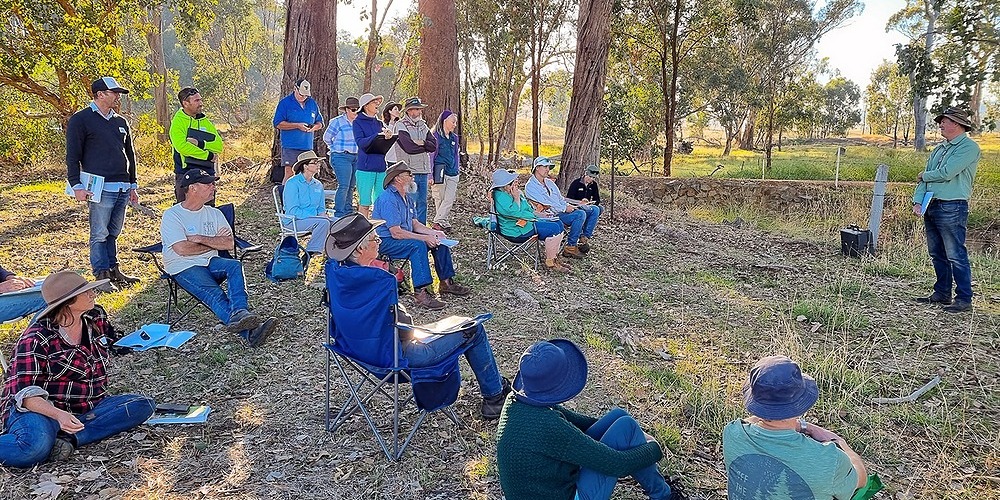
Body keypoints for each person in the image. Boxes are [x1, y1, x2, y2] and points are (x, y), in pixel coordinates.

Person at [326, 213, 511, 419]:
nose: (379, 242)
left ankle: (496, 388)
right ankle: (495, 396)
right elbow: (405, 330)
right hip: (394, 358)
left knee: (453, 324)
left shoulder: (339, 275)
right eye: (375, 238)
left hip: (356, 352)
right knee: (473, 328)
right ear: (360, 248)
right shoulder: (377, 281)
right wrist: (420, 329)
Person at [0, 271, 156, 467]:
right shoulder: (36, 339)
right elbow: (24, 394)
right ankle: (52, 436)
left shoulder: (94, 319)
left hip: (84, 407)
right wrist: (58, 415)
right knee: (33, 448)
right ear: (68, 302)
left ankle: (68, 439)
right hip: (39, 409)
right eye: (86, 292)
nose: (93, 293)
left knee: (141, 404)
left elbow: (113, 341)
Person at [496, 339, 684, 500]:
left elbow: (576, 422)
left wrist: (623, 436)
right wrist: (654, 448)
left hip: (552, 483)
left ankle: (663, 494)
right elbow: (617, 464)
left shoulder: (518, 401)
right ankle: (664, 495)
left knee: (620, 418)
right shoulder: (548, 426)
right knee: (626, 428)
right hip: (566, 495)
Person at [723, 355, 868, 499]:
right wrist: (840, 443)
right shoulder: (830, 460)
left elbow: (751, 420)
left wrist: (804, 426)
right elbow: (861, 479)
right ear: (801, 404)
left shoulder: (732, 433)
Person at [161, 169, 278, 346]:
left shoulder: (214, 213)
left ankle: (241, 312)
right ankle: (251, 334)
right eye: (208, 184)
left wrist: (200, 239)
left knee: (234, 265)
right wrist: (214, 242)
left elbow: (229, 243)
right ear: (192, 188)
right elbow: (182, 249)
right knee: (214, 294)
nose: (213, 187)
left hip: (210, 261)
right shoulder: (172, 215)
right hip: (183, 266)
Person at [66, 76, 141, 293]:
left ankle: (113, 269)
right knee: (99, 232)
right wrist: (76, 185)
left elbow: (130, 154)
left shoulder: (120, 122)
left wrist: (133, 184)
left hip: (122, 186)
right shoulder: (81, 120)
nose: (118, 97)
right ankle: (100, 275)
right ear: (100, 94)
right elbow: (73, 156)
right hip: (99, 188)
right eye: (114, 93)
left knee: (113, 231)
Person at [372, 162, 471, 310]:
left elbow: (415, 224)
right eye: (409, 175)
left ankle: (446, 282)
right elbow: (396, 232)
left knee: (440, 242)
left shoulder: (407, 198)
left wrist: (434, 233)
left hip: (402, 237)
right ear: (398, 179)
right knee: (417, 246)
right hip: (386, 241)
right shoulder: (388, 199)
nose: (413, 178)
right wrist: (425, 238)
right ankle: (420, 292)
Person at [912, 107, 980, 313]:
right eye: (941, 120)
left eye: (945, 121)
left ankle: (964, 298)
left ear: (957, 124)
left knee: (955, 253)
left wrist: (924, 175)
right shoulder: (940, 149)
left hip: (952, 204)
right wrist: (917, 200)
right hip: (931, 203)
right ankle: (942, 292)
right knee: (936, 252)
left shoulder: (968, 148)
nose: (941, 124)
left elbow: (947, 173)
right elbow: (928, 176)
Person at [490, 169, 569, 273]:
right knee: (554, 229)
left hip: (527, 222)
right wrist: (516, 198)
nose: (516, 183)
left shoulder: (513, 192)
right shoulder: (501, 196)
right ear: (506, 185)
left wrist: (541, 215)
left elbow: (528, 209)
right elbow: (514, 213)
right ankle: (550, 263)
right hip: (516, 230)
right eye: (513, 182)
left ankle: (554, 258)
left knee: (558, 224)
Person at [524, 157, 591, 259]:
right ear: (537, 168)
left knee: (589, 210)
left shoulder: (549, 183)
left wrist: (568, 206)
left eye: (549, 167)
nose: (548, 169)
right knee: (580, 214)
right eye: (545, 167)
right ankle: (571, 246)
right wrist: (564, 208)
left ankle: (581, 238)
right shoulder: (530, 186)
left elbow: (560, 199)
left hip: (559, 211)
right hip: (548, 215)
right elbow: (547, 204)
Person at [169, 87, 222, 203]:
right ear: (185, 103)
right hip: (186, 173)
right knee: (186, 211)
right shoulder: (178, 122)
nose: (201, 104)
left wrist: (200, 143)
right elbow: (182, 147)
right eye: (196, 101)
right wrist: (208, 155)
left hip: (207, 173)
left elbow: (218, 146)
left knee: (208, 211)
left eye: (200, 100)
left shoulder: (205, 121)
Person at [392, 97, 437, 224]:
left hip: (423, 170)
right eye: (416, 109)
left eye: (419, 109)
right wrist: (425, 146)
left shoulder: (423, 126)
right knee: (409, 201)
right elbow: (409, 147)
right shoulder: (400, 125)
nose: (418, 112)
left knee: (422, 202)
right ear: (409, 111)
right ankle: (408, 227)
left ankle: (421, 229)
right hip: (408, 171)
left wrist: (422, 142)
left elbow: (433, 146)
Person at [272, 78, 324, 185]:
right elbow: (277, 123)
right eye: (301, 94)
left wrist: (314, 127)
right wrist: (297, 126)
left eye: (306, 95)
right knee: (289, 173)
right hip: (290, 146)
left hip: (307, 147)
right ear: (295, 89)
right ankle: (286, 198)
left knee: (308, 174)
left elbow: (320, 123)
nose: (304, 97)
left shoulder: (312, 104)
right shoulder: (285, 103)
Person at [353, 92, 396, 217]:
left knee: (380, 203)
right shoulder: (358, 122)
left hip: (381, 167)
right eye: (374, 102)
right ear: (366, 106)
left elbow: (383, 143)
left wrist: (388, 137)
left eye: (377, 102)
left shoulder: (379, 123)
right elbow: (361, 142)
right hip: (365, 168)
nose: (377, 104)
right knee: (365, 204)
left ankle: (377, 233)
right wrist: (376, 137)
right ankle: (363, 233)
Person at [282, 151, 332, 255]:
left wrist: (322, 214)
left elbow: (320, 208)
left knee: (340, 223)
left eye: (318, 162)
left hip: (315, 219)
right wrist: (317, 217)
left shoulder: (318, 184)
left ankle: (335, 255)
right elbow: (293, 211)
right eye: (315, 162)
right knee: (323, 223)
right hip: (294, 221)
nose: (318, 165)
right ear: (305, 166)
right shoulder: (292, 183)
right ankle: (310, 253)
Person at [322, 96, 360, 218]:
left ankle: (348, 211)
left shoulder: (359, 122)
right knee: (344, 184)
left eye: (357, 109)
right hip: (341, 156)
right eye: (353, 109)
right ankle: (339, 213)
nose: (355, 112)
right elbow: (326, 138)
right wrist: (335, 148)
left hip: (356, 156)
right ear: (346, 110)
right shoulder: (337, 122)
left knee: (351, 186)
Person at [430, 110, 461, 233]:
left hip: (453, 172)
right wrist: (430, 175)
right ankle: (442, 223)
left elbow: (456, 155)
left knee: (449, 199)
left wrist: (457, 168)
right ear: (445, 121)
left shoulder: (455, 138)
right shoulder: (435, 136)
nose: (454, 125)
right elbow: (431, 156)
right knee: (440, 198)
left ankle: (437, 220)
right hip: (439, 170)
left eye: (455, 122)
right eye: (453, 122)